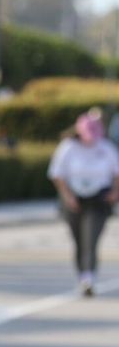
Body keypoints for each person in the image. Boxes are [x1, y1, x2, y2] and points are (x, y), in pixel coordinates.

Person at [47, 108, 119, 296]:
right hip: (74, 199)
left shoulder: (105, 147)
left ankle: (89, 277)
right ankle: (82, 274)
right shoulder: (68, 147)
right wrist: (68, 196)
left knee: (91, 238)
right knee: (78, 239)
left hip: (98, 199)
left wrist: (115, 192)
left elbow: (116, 172)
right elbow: (57, 174)